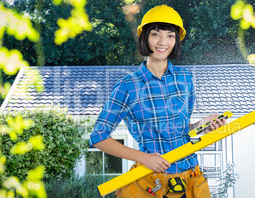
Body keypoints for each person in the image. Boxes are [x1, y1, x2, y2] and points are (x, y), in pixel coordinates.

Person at [89, 5, 226, 198]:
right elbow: (98, 137)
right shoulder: (127, 86)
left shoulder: (185, 79)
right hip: (150, 182)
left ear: (176, 40)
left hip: (190, 179)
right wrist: (144, 158)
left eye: (170, 35)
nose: (163, 42)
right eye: (155, 34)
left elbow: (179, 129)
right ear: (145, 38)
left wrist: (201, 125)